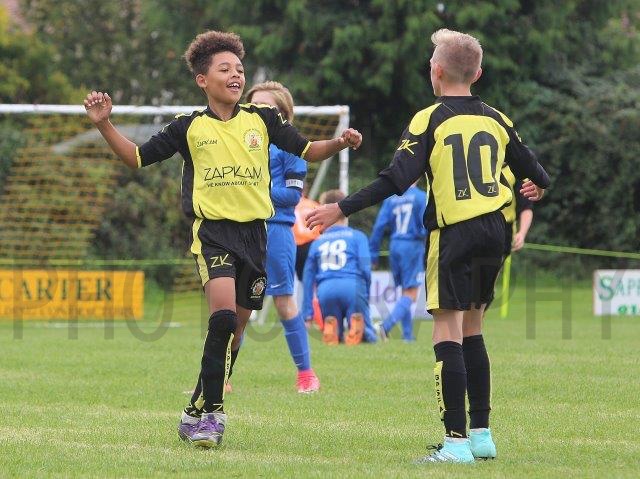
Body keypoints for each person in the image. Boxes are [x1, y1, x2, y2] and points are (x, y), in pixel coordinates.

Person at [83, 30, 362, 449]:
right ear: (203, 80)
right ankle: (213, 415)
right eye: (225, 69)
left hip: (256, 236)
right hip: (213, 234)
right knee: (223, 319)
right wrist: (105, 123)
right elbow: (136, 158)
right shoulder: (188, 126)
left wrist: (339, 143)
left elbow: (307, 149)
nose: (235, 76)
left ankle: (195, 406)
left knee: (236, 332)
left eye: (240, 70)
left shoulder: (262, 120)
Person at [306, 28, 549, 463]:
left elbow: (395, 180)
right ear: (478, 73)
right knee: (473, 328)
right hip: (494, 230)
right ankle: (481, 436)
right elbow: (536, 173)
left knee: (446, 330)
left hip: (454, 232)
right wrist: (538, 186)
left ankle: (455, 443)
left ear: (436, 71)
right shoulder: (497, 119)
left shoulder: (429, 119)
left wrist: (339, 207)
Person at [245, 81, 319, 394]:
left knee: (284, 303)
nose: (257, 112)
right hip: (241, 230)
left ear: (283, 114)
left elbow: (292, 196)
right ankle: (219, 378)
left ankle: (306, 375)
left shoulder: (291, 147)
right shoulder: (239, 142)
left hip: (276, 231)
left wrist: (254, 190)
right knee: (233, 307)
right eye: (253, 106)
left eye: (266, 107)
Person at [302, 189, 377, 345]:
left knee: (334, 323)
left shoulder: (316, 242)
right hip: (352, 287)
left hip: (326, 290)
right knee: (369, 334)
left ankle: (333, 330)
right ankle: (360, 330)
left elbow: (308, 279)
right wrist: (366, 293)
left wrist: (307, 313)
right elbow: (365, 269)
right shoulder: (358, 236)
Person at [369, 181, 427, 341]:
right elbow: (426, 224)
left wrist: (373, 253)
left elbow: (379, 227)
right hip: (412, 245)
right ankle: (385, 326)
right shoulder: (421, 197)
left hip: (395, 245)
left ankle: (408, 336)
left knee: (404, 292)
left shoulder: (391, 198)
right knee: (411, 294)